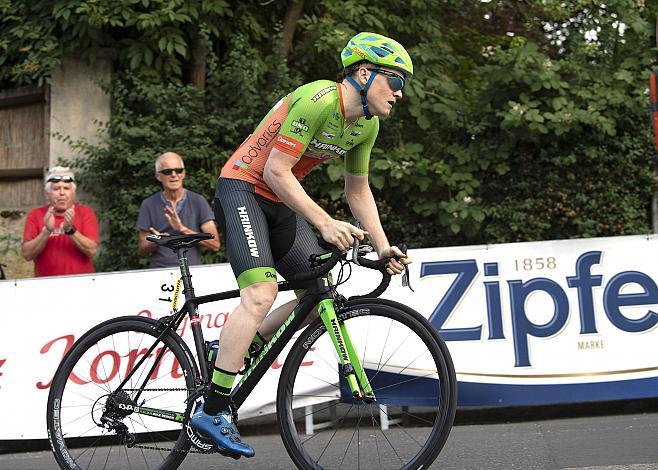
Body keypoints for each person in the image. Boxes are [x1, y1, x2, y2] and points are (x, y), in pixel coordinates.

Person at [190, 32, 414, 458]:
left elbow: (359, 190)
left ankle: (239, 347)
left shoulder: (366, 124)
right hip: (245, 187)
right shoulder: (320, 99)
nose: (400, 94)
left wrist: (384, 247)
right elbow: (276, 170)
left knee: (316, 294)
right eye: (396, 81)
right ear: (364, 74)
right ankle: (213, 409)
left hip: (280, 199)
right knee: (261, 292)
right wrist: (325, 222)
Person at [136, 152, 220, 267]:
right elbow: (142, 249)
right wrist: (158, 240)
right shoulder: (148, 204)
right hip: (160, 273)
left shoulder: (198, 201)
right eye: (167, 171)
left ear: (184, 173)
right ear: (158, 176)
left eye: (178, 170)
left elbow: (215, 244)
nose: (174, 175)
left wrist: (182, 229)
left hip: (191, 271)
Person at [21, 167, 99, 277]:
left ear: (73, 194)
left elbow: (92, 251)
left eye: (66, 188)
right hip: (46, 284)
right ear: (47, 195)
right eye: (56, 189)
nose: (62, 193)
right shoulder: (35, 215)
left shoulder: (85, 213)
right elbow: (27, 254)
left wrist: (70, 230)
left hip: (81, 283)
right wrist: (47, 231)